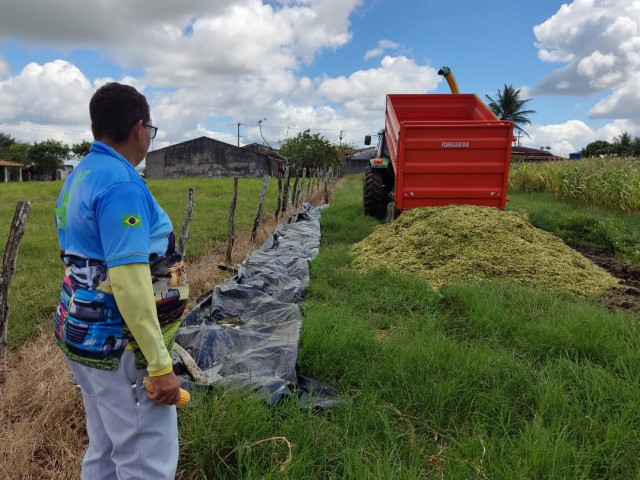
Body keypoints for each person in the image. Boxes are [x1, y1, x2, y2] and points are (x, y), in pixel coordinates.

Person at [54, 82, 189, 480]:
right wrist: (160, 364)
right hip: (119, 346)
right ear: (139, 128)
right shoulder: (122, 185)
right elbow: (129, 282)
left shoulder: (83, 174)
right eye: (151, 129)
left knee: (108, 444)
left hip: (82, 334)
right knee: (145, 458)